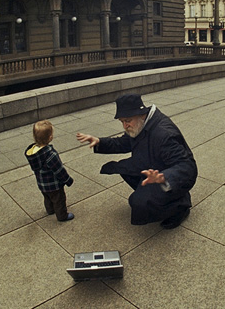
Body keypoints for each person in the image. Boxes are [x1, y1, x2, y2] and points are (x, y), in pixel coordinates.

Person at [76, 94, 197, 229]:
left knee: (138, 202)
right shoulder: (140, 125)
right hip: (151, 167)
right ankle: (163, 197)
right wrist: (99, 141)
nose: (125, 126)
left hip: (164, 175)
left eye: (127, 121)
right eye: (122, 121)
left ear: (142, 114)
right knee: (123, 169)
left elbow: (186, 166)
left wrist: (164, 178)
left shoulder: (164, 134)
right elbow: (123, 143)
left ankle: (179, 207)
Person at [25, 120, 75, 221]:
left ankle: (50, 210)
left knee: (47, 198)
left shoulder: (33, 153)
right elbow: (59, 170)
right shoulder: (50, 155)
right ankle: (62, 216)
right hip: (54, 185)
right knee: (59, 200)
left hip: (42, 184)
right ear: (50, 137)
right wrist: (68, 180)